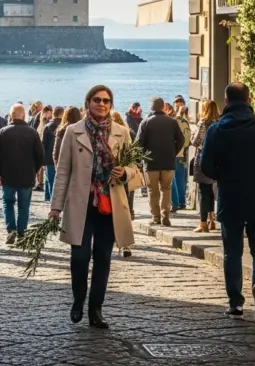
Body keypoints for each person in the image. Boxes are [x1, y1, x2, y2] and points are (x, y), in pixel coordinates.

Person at [49, 85, 137, 329]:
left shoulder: (122, 132)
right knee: (79, 257)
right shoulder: (72, 131)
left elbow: (136, 169)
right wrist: (56, 206)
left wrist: (124, 172)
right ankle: (79, 298)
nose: (102, 104)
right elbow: (63, 170)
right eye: (97, 100)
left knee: (103, 258)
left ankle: (95, 309)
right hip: (82, 203)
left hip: (110, 205)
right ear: (88, 102)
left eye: (106, 101)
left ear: (111, 104)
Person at [199, 82, 255, 323]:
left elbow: (205, 166)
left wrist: (223, 175)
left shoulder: (216, 130)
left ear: (226, 102)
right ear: (249, 99)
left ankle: (235, 303)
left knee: (232, 253)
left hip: (230, 197)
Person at [0, 103, 44, 245]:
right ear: (23, 115)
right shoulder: (32, 133)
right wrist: (34, 170)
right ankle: (21, 232)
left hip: (7, 176)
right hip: (27, 176)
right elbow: (41, 156)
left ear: (10, 115)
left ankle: (11, 229)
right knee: (24, 206)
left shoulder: (3, 132)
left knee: (8, 203)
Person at [135, 97, 185, 226]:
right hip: (168, 161)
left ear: (151, 108)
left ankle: (155, 217)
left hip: (150, 162)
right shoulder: (172, 122)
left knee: (153, 191)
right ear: (163, 107)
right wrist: (173, 152)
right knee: (166, 189)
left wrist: (142, 157)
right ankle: (165, 216)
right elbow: (181, 140)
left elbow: (138, 143)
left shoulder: (145, 122)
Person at [190, 100, 220, 233]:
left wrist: (192, 135)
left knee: (203, 191)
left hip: (203, 159)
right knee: (212, 191)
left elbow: (197, 141)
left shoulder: (203, 123)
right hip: (216, 160)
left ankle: (203, 223)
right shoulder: (219, 122)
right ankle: (211, 219)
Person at [171, 105, 192, 212]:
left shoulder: (173, 121)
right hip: (181, 154)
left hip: (173, 154)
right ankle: (181, 202)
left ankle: (176, 202)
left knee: (174, 179)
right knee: (180, 179)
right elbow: (187, 139)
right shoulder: (184, 122)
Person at [41, 106, 62, 200]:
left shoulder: (47, 126)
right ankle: (52, 200)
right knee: (55, 181)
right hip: (60, 157)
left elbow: (43, 144)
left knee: (49, 179)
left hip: (49, 157)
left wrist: (42, 160)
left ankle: (48, 198)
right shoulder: (64, 127)